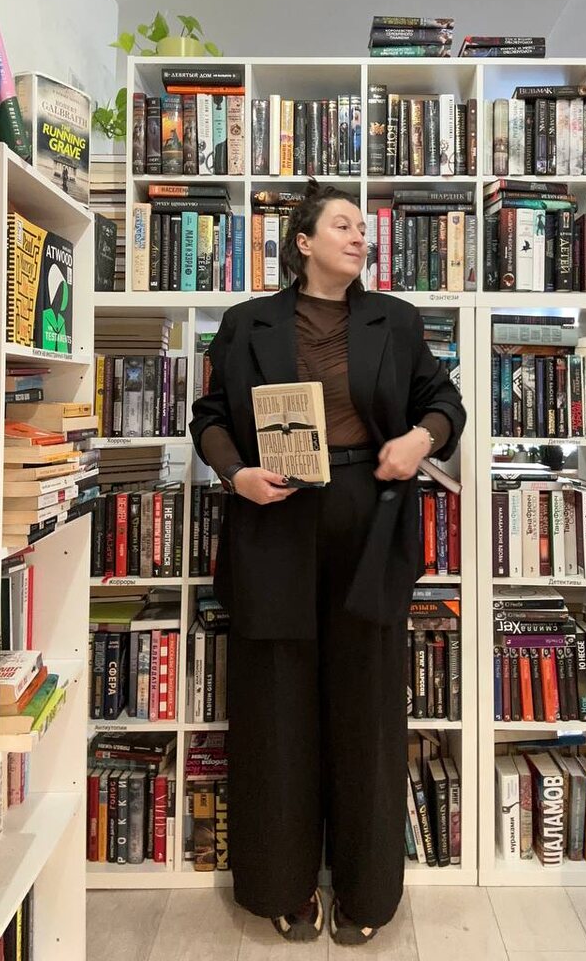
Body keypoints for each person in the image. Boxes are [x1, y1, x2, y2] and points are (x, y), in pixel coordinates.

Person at [189, 180, 465, 945]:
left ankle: (367, 893)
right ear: (303, 243)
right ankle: (281, 886)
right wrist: (236, 475)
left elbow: (445, 404)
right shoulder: (246, 323)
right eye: (342, 225)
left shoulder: (396, 320)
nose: (359, 236)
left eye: (362, 228)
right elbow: (209, 419)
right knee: (276, 707)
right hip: (272, 517)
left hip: (369, 520)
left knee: (368, 708)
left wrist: (419, 440)